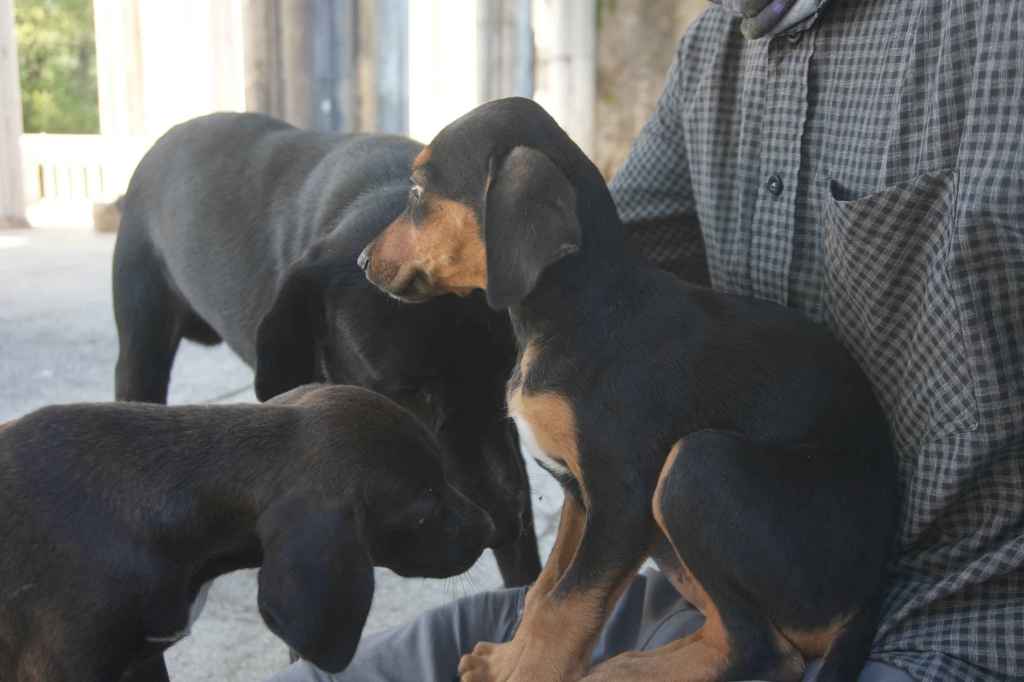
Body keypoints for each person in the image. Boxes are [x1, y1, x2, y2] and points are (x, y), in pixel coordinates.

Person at [268, 1, 1024, 679]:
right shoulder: (715, 53)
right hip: (705, 578)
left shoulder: (993, 33)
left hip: (947, 619)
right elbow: (588, 272)